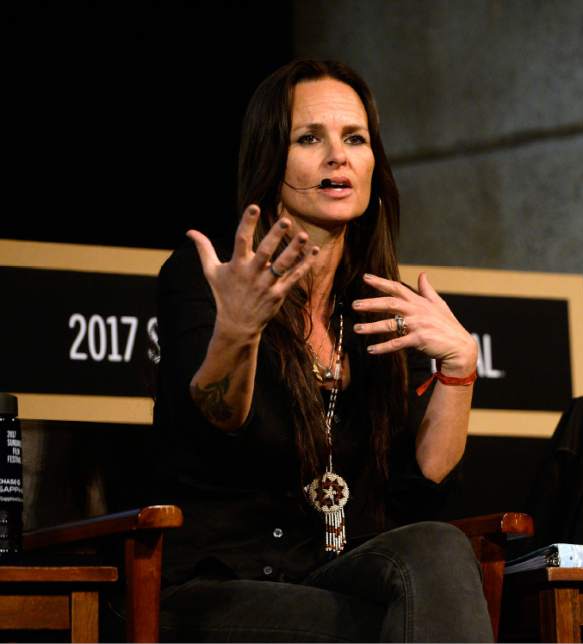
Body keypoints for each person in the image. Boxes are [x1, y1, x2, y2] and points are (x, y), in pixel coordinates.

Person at [150, 59, 492, 642]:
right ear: (269, 159)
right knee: (392, 626)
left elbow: (423, 482)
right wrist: (238, 329)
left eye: (354, 139)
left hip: (335, 572)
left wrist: (459, 369)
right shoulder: (211, 279)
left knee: (436, 544)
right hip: (220, 587)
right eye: (310, 139)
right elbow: (214, 422)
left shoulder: (377, 305)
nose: (338, 157)